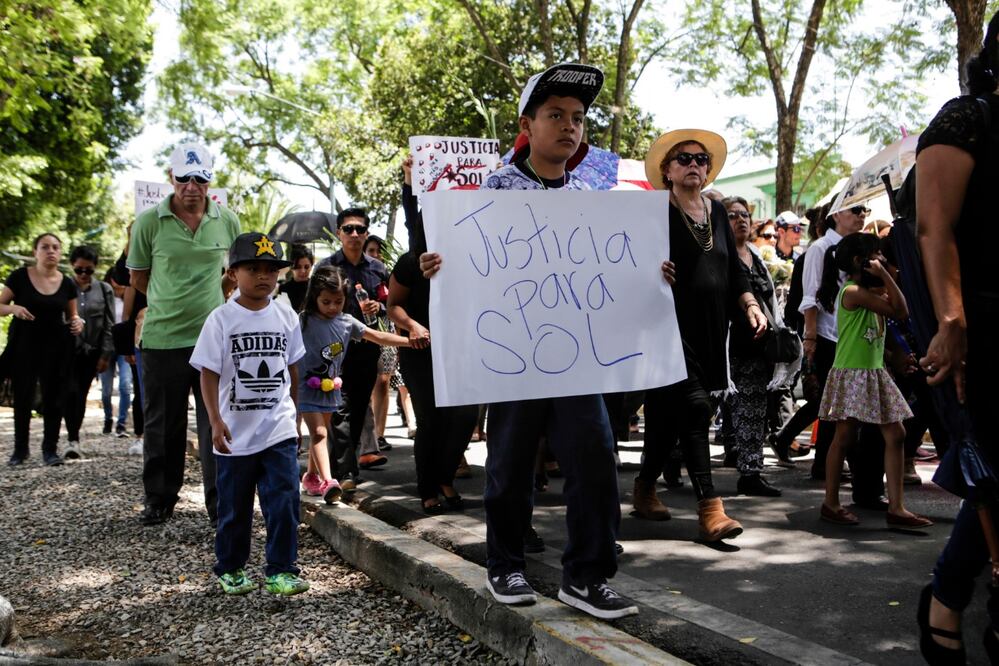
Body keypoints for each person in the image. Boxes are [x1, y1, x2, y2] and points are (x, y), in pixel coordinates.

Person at [419, 63, 637, 620]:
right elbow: (469, 272)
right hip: (513, 358)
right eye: (556, 115)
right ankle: (506, 564)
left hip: (577, 361)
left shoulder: (595, 195)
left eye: (579, 118)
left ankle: (586, 576)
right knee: (510, 465)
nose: (569, 127)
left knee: (594, 459)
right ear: (528, 124)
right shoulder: (495, 190)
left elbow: (612, 273)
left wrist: (651, 271)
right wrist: (438, 265)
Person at [632, 129, 766, 538]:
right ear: (667, 170)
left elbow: (733, 270)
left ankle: (643, 487)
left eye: (700, 160)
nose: (694, 165)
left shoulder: (718, 212)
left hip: (710, 332)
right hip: (665, 329)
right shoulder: (653, 211)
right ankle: (710, 507)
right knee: (694, 408)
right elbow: (627, 261)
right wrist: (650, 270)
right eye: (684, 159)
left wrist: (749, 303)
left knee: (664, 420)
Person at [915, 12, 999, 662]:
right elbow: (933, 229)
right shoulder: (965, 117)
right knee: (994, 482)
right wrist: (951, 323)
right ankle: (949, 602)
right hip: (981, 333)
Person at [127, 142, 241, 526]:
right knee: (162, 425)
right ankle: (159, 499)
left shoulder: (227, 220)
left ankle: (220, 503)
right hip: (162, 339)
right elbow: (139, 276)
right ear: (170, 177)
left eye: (200, 178)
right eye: (184, 178)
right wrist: (169, 298)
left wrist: (217, 294)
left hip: (213, 339)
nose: (192, 186)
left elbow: (236, 272)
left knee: (217, 423)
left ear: (210, 181)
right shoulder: (148, 222)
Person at [190, 232, 309, 596]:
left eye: (271, 270)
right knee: (234, 508)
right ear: (232, 273)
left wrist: (296, 417)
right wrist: (214, 419)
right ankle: (230, 566)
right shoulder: (221, 320)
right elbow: (207, 373)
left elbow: (292, 370)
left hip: (277, 428)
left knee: (284, 502)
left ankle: (282, 569)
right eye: (253, 269)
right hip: (234, 435)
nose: (263, 277)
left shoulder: (286, 315)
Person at [814, 232, 931, 528]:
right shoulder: (852, 292)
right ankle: (831, 502)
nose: (882, 259)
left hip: (873, 371)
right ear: (860, 261)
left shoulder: (868, 295)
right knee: (845, 437)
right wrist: (886, 275)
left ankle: (897, 507)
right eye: (877, 255)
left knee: (896, 434)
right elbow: (901, 310)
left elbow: (874, 336)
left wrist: (894, 358)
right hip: (854, 374)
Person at [298, 265, 409, 500]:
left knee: (322, 432)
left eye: (337, 301)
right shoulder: (304, 321)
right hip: (306, 388)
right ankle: (329, 482)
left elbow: (376, 335)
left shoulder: (347, 322)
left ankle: (311, 476)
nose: (332, 307)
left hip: (330, 388)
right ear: (314, 297)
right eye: (326, 301)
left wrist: (409, 341)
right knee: (318, 433)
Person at [723, 196, 788, 493]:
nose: (741, 220)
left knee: (753, 409)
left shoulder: (756, 256)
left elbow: (771, 300)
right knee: (701, 407)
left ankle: (750, 473)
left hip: (756, 346)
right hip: (723, 345)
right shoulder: (717, 254)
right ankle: (670, 459)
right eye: (733, 215)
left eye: (745, 214)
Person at [0, 233, 83, 466]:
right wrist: (14, 310)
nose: (51, 251)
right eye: (45, 247)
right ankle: (20, 450)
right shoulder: (19, 277)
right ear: (35, 251)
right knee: (23, 396)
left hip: (56, 347)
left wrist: (78, 322)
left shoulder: (67, 283)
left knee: (54, 398)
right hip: (24, 345)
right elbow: (0, 305)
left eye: (56, 247)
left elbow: (72, 316)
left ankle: (50, 450)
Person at [318, 208, 389, 474]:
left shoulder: (378, 269)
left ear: (367, 233)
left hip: (367, 347)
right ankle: (344, 471)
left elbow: (388, 303)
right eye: (349, 229)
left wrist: (377, 308)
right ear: (339, 233)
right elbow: (313, 306)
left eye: (360, 229)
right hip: (334, 349)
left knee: (359, 407)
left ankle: (345, 467)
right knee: (340, 408)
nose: (355, 234)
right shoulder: (326, 267)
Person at [61, 245, 115, 459]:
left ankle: (74, 438)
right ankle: (71, 438)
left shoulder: (104, 290)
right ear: (72, 266)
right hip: (66, 351)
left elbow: (109, 324)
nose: (84, 275)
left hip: (91, 352)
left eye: (89, 270)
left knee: (81, 394)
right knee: (69, 392)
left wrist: (105, 355)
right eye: (79, 270)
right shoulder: (63, 286)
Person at [99, 271, 132, 439]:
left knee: (126, 386)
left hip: (123, 347)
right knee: (106, 390)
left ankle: (121, 423)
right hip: (106, 347)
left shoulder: (130, 296)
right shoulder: (104, 297)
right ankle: (107, 418)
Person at [278, 244, 313, 312]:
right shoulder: (284, 288)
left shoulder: (316, 287)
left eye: (306, 267)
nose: (303, 271)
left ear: (311, 265)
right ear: (291, 267)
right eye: (298, 267)